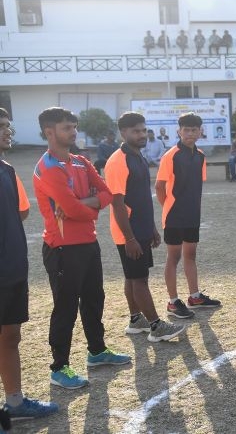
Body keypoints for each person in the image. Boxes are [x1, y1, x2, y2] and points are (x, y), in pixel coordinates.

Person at [33, 107, 131, 390]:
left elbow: (107, 195)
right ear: (49, 132)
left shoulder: (80, 161)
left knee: (94, 298)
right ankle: (59, 367)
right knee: (65, 308)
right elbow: (75, 209)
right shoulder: (48, 168)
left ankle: (97, 352)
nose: (73, 132)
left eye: (74, 127)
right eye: (67, 128)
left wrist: (84, 204)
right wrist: (87, 205)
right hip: (62, 248)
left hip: (88, 243)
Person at [0, 107, 59, 421]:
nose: (8, 131)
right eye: (2, 126)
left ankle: (15, 402)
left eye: (8, 125)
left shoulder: (7, 169)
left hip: (12, 269)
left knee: (11, 336)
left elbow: (22, 211)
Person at [105, 112, 185, 342]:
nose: (141, 134)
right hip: (128, 232)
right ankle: (156, 326)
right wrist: (129, 238)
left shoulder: (138, 156)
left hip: (140, 229)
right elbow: (117, 203)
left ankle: (135, 320)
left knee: (133, 277)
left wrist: (150, 227)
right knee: (139, 279)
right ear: (123, 133)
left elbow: (141, 198)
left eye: (142, 130)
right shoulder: (118, 161)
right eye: (135, 131)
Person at [155, 112, 221, 319]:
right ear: (179, 131)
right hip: (174, 215)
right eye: (186, 130)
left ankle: (195, 297)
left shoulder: (200, 156)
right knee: (173, 257)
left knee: (190, 255)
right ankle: (173, 302)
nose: (190, 133)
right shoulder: (170, 155)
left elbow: (197, 185)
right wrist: (168, 207)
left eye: (194, 130)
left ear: (200, 132)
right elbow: (159, 186)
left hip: (192, 215)